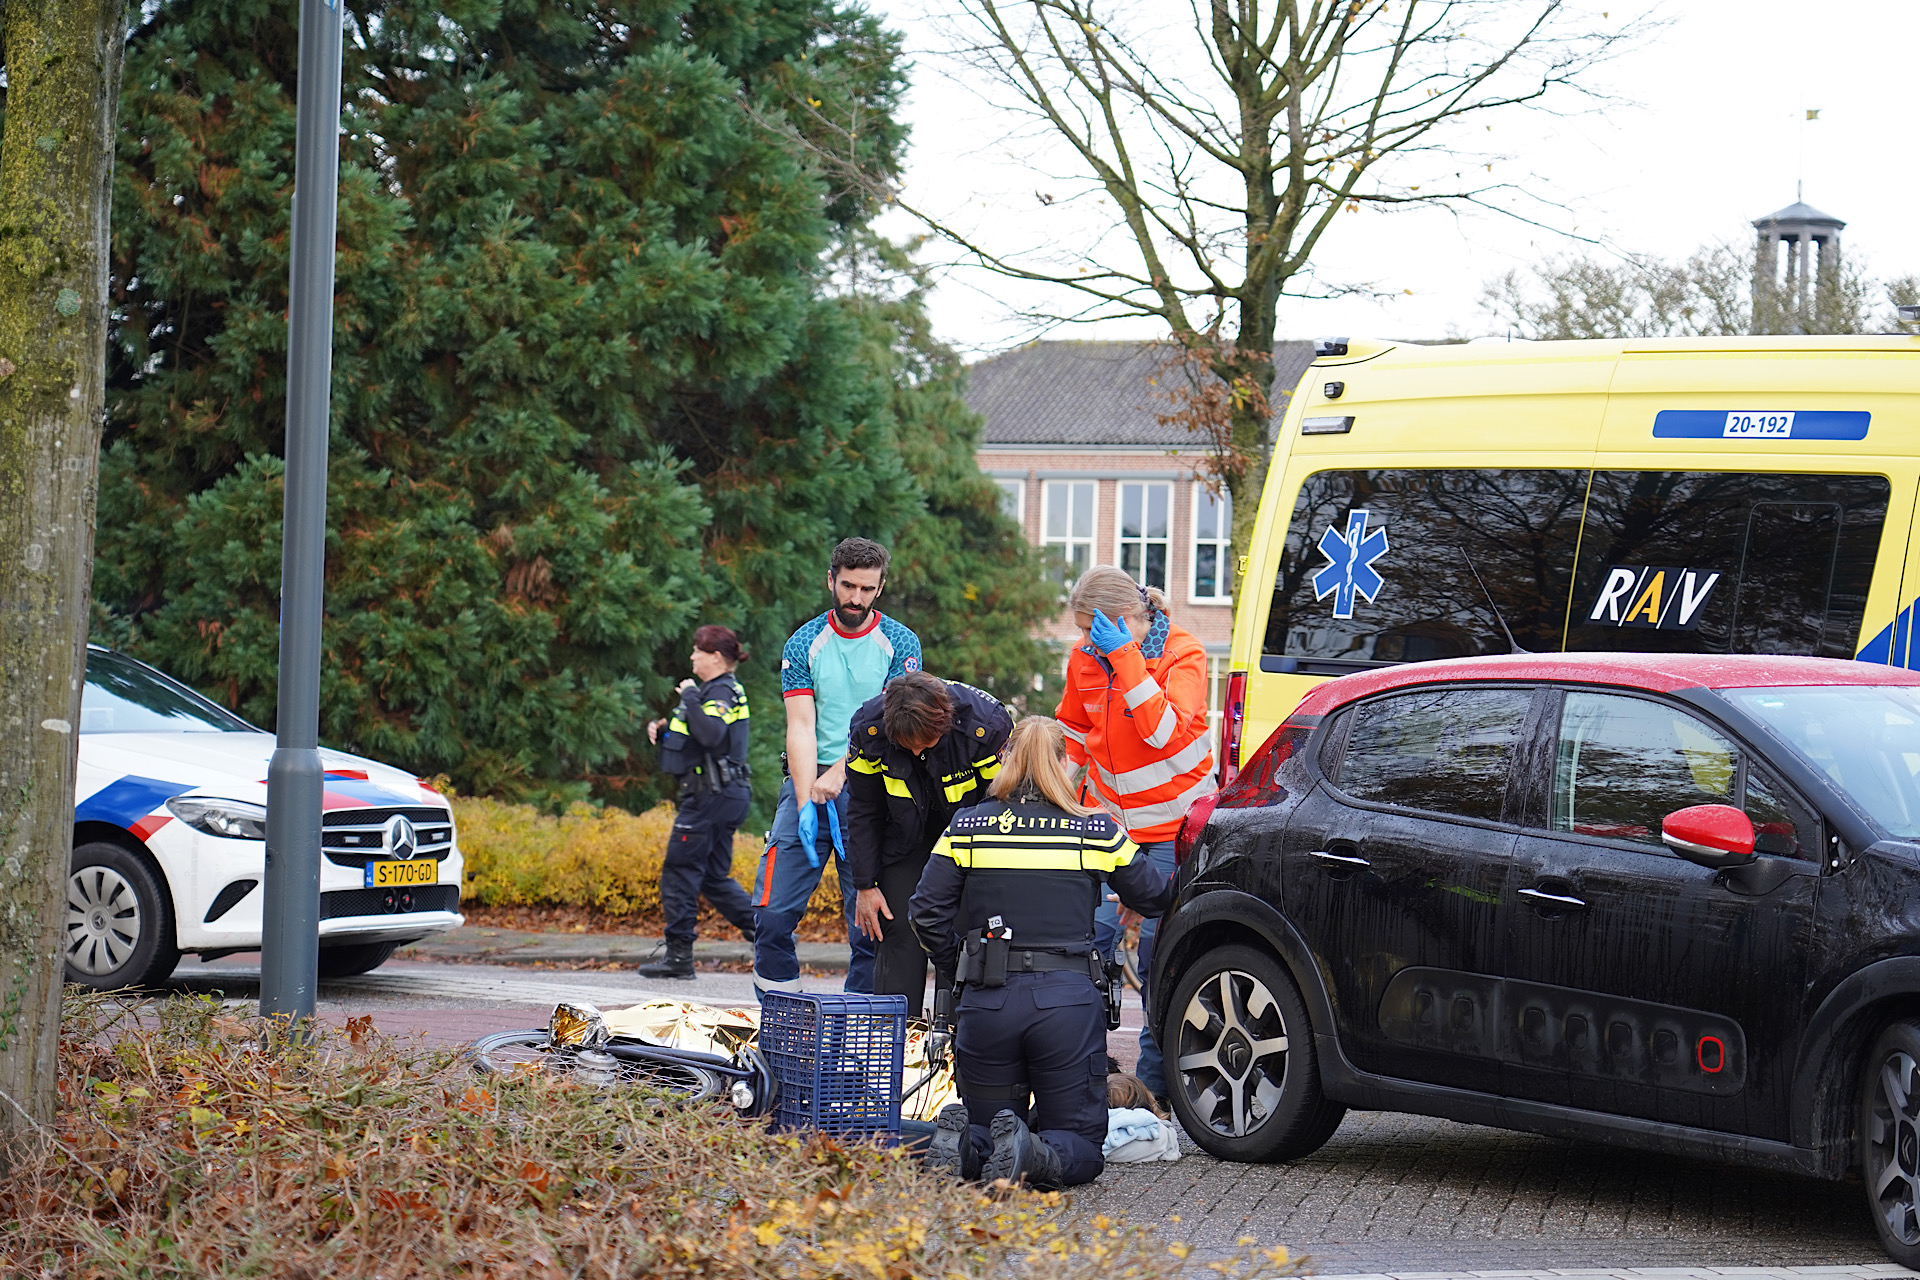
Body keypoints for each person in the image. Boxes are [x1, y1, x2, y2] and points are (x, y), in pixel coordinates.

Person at [908, 716, 1174, 1190]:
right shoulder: (1094, 830)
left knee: (989, 1129)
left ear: (1006, 760)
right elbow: (1156, 894)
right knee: (1080, 1144)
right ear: (1066, 764)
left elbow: (926, 911)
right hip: (1066, 1004)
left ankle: (968, 1146)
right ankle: (1032, 1152)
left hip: (987, 1001)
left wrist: (961, 968)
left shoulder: (967, 826)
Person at [1056, 564, 1214, 1102]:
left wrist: (1125, 658)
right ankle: (1082, 1078)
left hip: (1170, 833)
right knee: (1083, 943)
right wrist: (1041, 785)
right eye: (1080, 632)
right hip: (1107, 829)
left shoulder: (1184, 655)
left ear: (1119, 619)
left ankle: (1152, 1093)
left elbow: (1163, 732)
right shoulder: (1085, 660)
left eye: (1087, 629)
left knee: (1157, 958)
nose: (1082, 641)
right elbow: (1073, 736)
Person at [752, 537, 921, 999]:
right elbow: (801, 726)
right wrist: (806, 798)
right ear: (831, 580)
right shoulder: (805, 642)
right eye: (848, 586)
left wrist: (842, 772)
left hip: (872, 789)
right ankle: (782, 1020)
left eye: (867, 589)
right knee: (770, 915)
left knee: (871, 924)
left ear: (880, 588)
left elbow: (893, 726)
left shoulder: (901, 643)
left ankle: (855, 1031)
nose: (856, 599)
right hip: (809, 779)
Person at [845, 671, 1012, 1012]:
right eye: (909, 745)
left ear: (945, 721)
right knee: (897, 930)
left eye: (926, 742)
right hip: (903, 839)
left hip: (972, 843)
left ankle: (961, 1040)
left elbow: (1003, 804)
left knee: (967, 936)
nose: (918, 749)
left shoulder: (986, 726)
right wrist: (865, 885)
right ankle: (895, 1045)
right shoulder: (868, 729)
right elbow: (863, 809)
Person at [640, 625, 758, 979]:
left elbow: (712, 733)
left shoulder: (719, 690)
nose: (691, 656)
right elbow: (698, 740)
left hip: (711, 797)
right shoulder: (713, 691)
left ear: (716, 658)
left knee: (679, 871)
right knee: (711, 875)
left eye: (698, 651)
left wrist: (690, 696)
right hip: (721, 795)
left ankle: (678, 958)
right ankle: (767, 932)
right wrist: (663, 731)